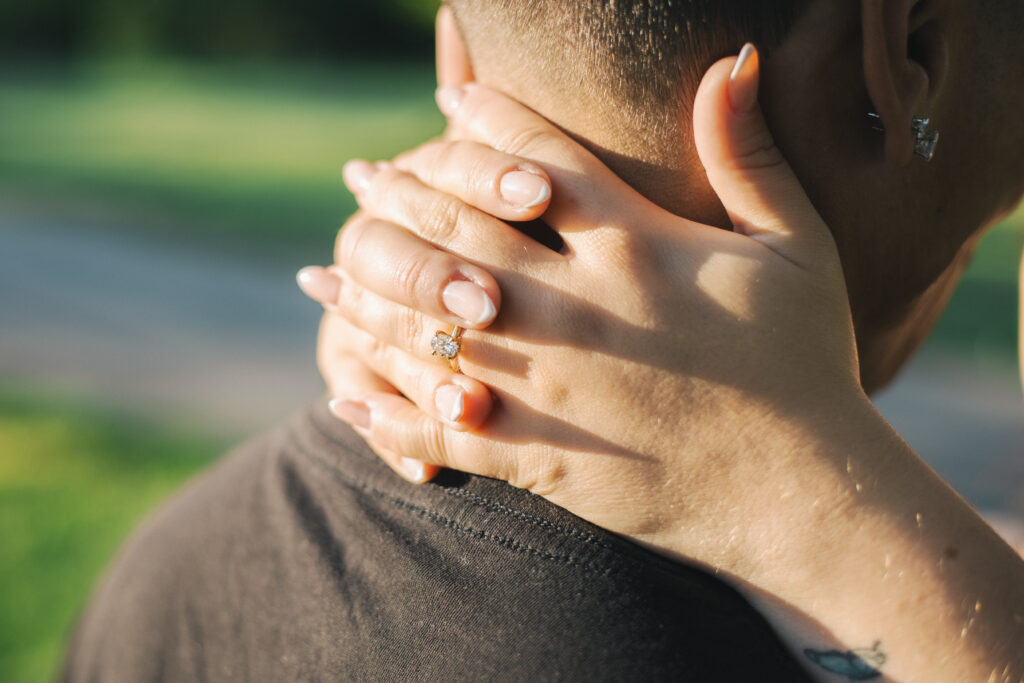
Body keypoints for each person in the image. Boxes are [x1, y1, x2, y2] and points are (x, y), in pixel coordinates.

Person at [61, 3, 1024, 682]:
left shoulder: (157, 574)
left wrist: (803, 485)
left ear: (456, 64)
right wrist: (812, 501)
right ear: (911, 48)